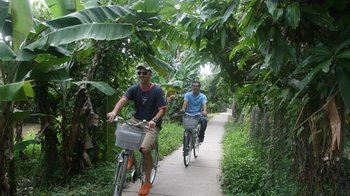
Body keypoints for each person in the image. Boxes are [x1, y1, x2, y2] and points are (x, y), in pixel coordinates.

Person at [107, 64, 166, 196]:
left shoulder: (157, 90)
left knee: (145, 150)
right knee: (119, 133)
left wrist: (154, 120)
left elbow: (162, 109)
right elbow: (123, 99)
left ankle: (147, 182)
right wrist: (114, 111)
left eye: (144, 73)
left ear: (150, 75)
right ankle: (131, 158)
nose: (141, 75)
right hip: (136, 120)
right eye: (139, 73)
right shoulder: (134, 88)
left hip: (151, 123)